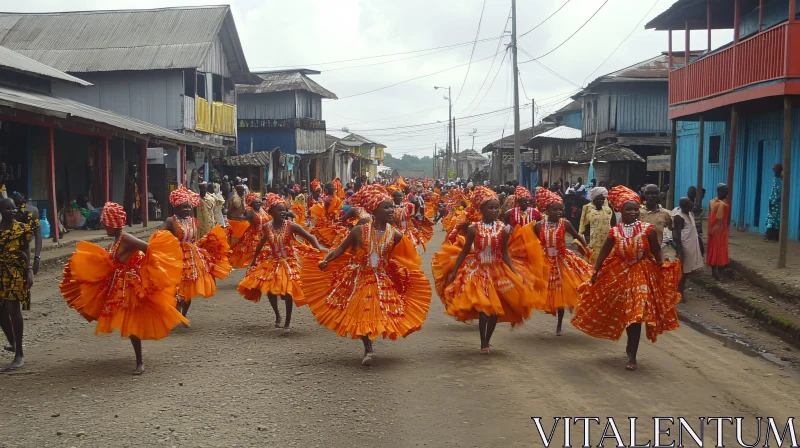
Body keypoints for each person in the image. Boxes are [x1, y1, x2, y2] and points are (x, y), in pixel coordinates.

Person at [299, 184, 432, 366]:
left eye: (391, 206)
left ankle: (371, 339)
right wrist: (326, 260)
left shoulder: (396, 235)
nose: (391, 210)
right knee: (362, 310)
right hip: (361, 276)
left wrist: (406, 273)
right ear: (373, 210)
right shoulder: (359, 231)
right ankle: (368, 348)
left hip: (383, 278)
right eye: (386, 207)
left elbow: (406, 258)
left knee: (379, 311)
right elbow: (340, 249)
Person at [60, 203, 187, 375]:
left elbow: (148, 249)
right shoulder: (115, 240)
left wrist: (144, 270)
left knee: (131, 322)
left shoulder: (126, 238)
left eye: (105, 224)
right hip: (118, 284)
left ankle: (140, 362)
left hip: (131, 285)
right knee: (119, 316)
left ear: (113, 224)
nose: (103, 227)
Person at [571, 186, 681, 371]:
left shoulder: (648, 230)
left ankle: (633, 355)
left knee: (636, 313)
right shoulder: (615, 232)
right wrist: (595, 271)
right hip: (619, 273)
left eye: (636, 209)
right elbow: (604, 252)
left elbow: (657, 250)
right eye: (628, 209)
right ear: (621, 211)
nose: (633, 212)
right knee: (620, 311)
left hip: (641, 272)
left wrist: (663, 265)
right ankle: (630, 347)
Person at [436, 187, 535, 354]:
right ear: (481, 209)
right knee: (483, 310)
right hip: (478, 271)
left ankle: (488, 339)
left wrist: (515, 273)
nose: (495, 211)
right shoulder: (473, 229)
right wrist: (454, 271)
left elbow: (504, 253)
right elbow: (465, 251)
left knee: (495, 311)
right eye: (490, 208)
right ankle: (483, 342)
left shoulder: (503, 229)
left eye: (496, 208)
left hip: (497, 271)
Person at [238, 194, 324, 333]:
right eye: (279, 210)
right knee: (270, 291)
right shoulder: (267, 227)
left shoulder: (291, 226)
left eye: (284, 210)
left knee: (288, 292)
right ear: (271, 212)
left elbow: (310, 236)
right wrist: (254, 261)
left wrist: (319, 250)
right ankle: (277, 315)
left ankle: (287, 322)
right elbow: (261, 243)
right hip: (272, 261)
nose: (283, 212)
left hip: (289, 262)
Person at [162, 186, 232, 318]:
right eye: (184, 207)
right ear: (175, 208)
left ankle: (184, 314)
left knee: (190, 287)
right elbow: (160, 236)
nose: (187, 210)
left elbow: (196, 237)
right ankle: (175, 310)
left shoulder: (193, 221)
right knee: (176, 285)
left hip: (192, 257)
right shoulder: (171, 221)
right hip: (176, 257)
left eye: (189, 207)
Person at [532, 188, 592, 335]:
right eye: (555, 210)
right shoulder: (538, 226)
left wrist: (586, 248)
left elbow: (577, 236)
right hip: (546, 261)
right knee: (547, 291)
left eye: (561, 210)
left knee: (562, 292)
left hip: (563, 260)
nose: (559, 212)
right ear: (547, 210)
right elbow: (536, 242)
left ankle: (559, 325)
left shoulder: (565, 224)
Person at [0, 198, 32, 369]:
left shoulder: (21, 228)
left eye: (13, 208)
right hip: (1, 272)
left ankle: (19, 353)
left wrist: (29, 270)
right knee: (1, 311)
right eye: (7, 208)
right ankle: (12, 342)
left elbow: (26, 249)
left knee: (13, 309)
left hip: (16, 271)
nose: (12, 211)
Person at [672, 197, 704, 301]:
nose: (692, 205)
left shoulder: (690, 213)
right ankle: (679, 292)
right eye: (690, 204)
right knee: (683, 271)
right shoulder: (679, 217)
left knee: (687, 270)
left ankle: (680, 290)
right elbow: (676, 235)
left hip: (692, 245)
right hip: (685, 246)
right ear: (684, 206)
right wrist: (680, 250)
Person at [229, 193, 271, 268]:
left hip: (265, 234)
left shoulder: (262, 210)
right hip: (254, 236)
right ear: (251, 204)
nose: (258, 203)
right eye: (256, 202)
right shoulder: (250, 212)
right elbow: (242, 218)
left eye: (259, 202)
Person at [578, 187, 615, 264]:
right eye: (599, 199)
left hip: (606, 237)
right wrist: (583, 238)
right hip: (593, 238)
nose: (602, 201)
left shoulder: (608, 209)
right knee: (593, 259)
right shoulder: (587, 207)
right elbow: (583, 222)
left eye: (603, 199)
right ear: (594, 198)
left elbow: (612, 222)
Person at [12, 192, 42, 275]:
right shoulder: (6, 213)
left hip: (24, 252)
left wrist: (37, 257)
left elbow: (38, 233)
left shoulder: (32, 212)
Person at [707, 183, 731, 281]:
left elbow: (710, 217)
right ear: (722, 192)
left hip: (712, 231)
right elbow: (724, 220)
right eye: (726, 192)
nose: (727, 194)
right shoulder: (725, 206)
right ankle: (720, 274)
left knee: (712, 250)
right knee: (721, 251)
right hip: (721, 232)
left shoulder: (711, 202)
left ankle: (714, 272)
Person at [765, 163, 782, 242]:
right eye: (774, 170)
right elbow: (775, 192)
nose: (774, 171)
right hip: (773, 201)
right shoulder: (775, 179)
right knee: (771, 218)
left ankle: (775, 237)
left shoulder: (781, 179)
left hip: (778, 202)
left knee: (777, 219)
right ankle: (769, 236)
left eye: (776, 169)